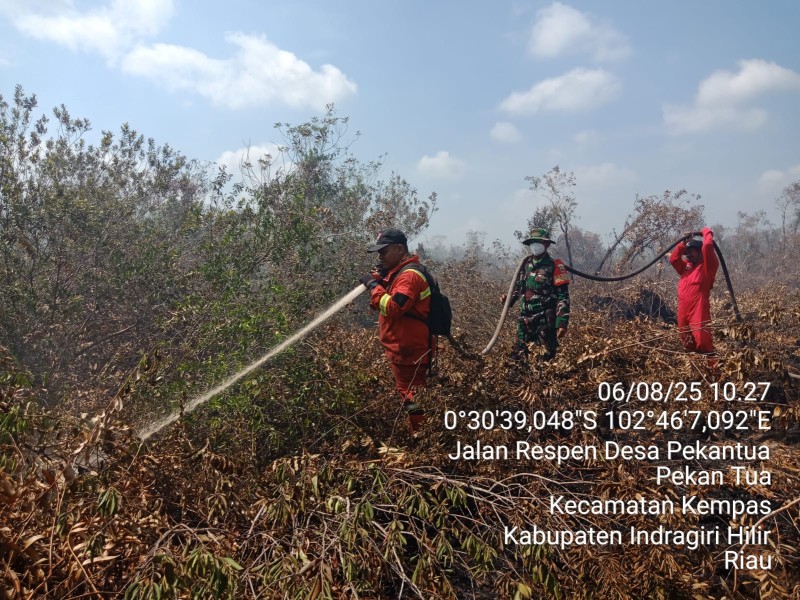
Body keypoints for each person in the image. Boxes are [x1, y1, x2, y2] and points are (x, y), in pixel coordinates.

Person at [359, 229, 434, 433]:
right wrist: (381, 280)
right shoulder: (399, 274)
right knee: (411, 394)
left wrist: (374, 286)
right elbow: (386, 301)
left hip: (411, 351)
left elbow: (394, 307)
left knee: (412, 397)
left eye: (384, 252)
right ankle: (421, 431)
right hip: (404, 349)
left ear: (400, 249)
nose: (380, 257)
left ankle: (421, 435)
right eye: (378, 253)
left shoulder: (409, 277)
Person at [502, 228, 570, 363]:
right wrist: (507, 301)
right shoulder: (525, 265)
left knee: (545, 360)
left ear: (546, 244)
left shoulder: (555, 266)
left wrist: (562, 323)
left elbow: (563, 296)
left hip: (544, 321)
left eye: (538, 242)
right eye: (532, 242)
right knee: (517, 358)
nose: (534, 245)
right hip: (524, 321)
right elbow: (518, 288)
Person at [669, 227, 719, 366]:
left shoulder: (708, 267)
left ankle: (714, 371)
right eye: (686, 253)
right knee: (687, 342)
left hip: (698, 309)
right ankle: (695, 371)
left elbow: (707, 245)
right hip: (683, 310)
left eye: (691, 252)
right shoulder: (686, 267)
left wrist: (705, 231)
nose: (688, 255)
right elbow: (673, 259)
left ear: (700, 252)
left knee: (703, 341)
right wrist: (683, 244)